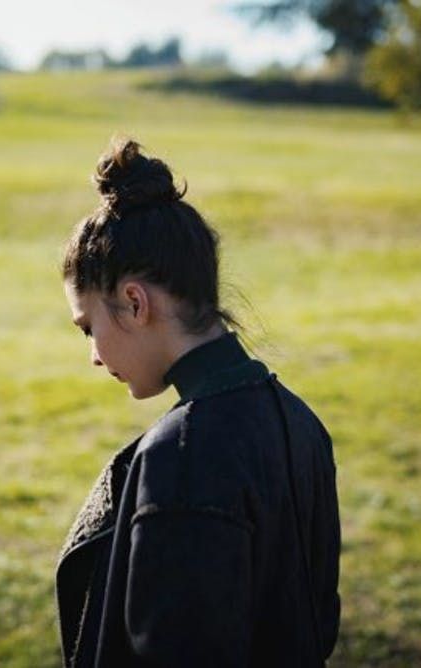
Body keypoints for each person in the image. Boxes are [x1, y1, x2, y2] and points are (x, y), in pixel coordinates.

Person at [56, 137, 341, 667]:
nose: (94, 355)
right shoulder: (303, 422)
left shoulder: (181, 456)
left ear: (135, 302)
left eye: (87, 327)